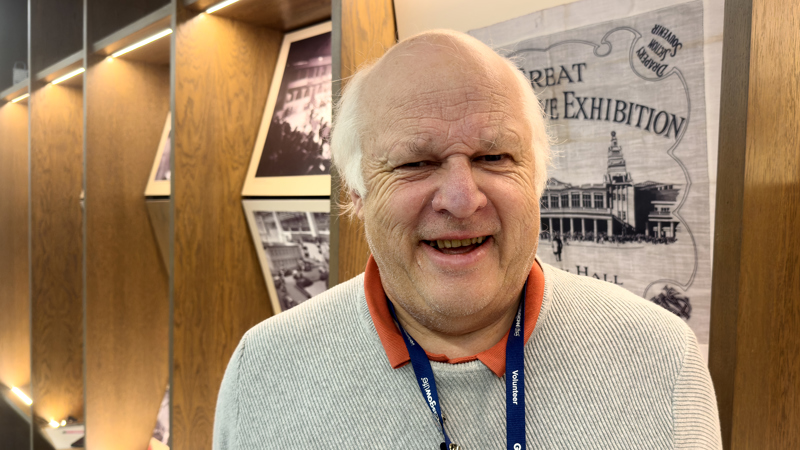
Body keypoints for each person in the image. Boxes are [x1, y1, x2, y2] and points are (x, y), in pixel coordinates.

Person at [213, 30, 721, 449]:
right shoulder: (262, 371)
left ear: (537, 178)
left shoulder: (660, 361)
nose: (461, 198)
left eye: (494, 157)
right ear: (358, 193)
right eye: (416, 163)